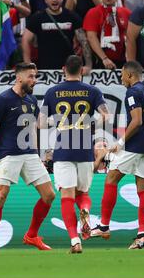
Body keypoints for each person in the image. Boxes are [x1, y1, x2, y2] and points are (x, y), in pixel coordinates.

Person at [0, 62, 56, 252]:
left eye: (35, 76)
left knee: (49, 195)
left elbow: (33, 129)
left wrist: (37, 154)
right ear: (19, 77)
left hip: (29, 155)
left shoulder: (32, 101)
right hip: (8, 154)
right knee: (1, 196)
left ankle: (32, 235)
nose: (34, 80)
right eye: (31, 76)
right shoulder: (2, 100)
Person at [90, 61, 144, 249]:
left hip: (134, 145)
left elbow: (137, 121)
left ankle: (104, 226)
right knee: (143, 189)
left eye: (122, 74)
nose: (121, 78)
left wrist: (119, 143)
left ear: (129, 75)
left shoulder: (133, 92)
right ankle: (142, 235)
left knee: (111, 179)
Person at [39, 55, 109, 253]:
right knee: (83, 193)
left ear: (63, 69)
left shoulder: (52, 92)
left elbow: (41, 123)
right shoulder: (93, 91)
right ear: (82, 70)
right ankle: (85, 210)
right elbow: (106, 115)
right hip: (85, 149)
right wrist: (89, 123)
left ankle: (74, 240)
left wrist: (58, 122)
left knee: (67, 197)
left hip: (63, 149)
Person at [22, 0, 93, 73]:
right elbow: (25, 40)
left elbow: (84, 41)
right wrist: (28, 64)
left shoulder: (72, 17)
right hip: (45, 68)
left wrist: (88, 65)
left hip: (69, 69)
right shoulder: (37, 18)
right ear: (45, 0)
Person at [83, 0, 131, 69]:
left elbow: (131, 37)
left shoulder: (126, 13)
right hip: (100, 60)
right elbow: (91, 37)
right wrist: (104, 58)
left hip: (123, 60)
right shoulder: (93, 13)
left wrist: (130, 58)